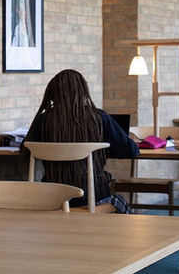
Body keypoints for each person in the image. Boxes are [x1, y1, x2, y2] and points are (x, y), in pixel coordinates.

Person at [22, 69, 138, 213]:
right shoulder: (99, 118)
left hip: (53, 197)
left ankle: (69, 212)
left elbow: (26, 150)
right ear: (83, 91)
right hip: (93, 196)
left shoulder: (43, 120)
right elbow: (131, 151)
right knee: (119, 201)